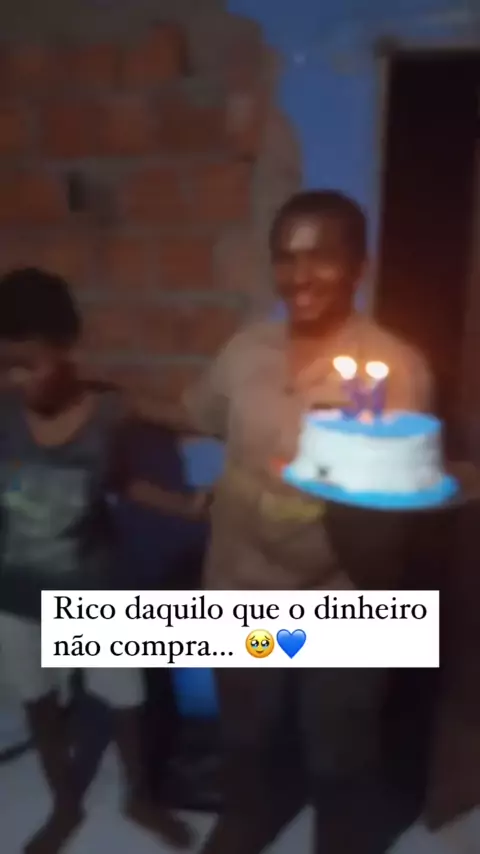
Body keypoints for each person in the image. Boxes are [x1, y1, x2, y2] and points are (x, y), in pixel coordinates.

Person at [150, 190, 435, 854]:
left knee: (340, 749)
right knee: (248, 731)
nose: (299, 276)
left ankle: (340, 838)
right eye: (284, 257)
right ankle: (249, 815)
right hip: (240, 588)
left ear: (358, 266)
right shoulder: (245, 350)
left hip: (341, 596)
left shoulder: (395, 370)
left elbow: (396, 491)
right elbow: (197, 414)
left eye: (320, 257)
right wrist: (108, 401)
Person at [0, 268, 208, 854]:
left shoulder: (110, 411)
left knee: (125, 700)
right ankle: (64, 803)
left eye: (30, 363)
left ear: (67, 347)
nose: (17, 379)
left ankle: (138, 797)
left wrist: (191, 505)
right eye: (6, 365)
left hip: (94, 588)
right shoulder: (3, 412)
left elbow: (118, 480)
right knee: (39, 700)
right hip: (15, 593)